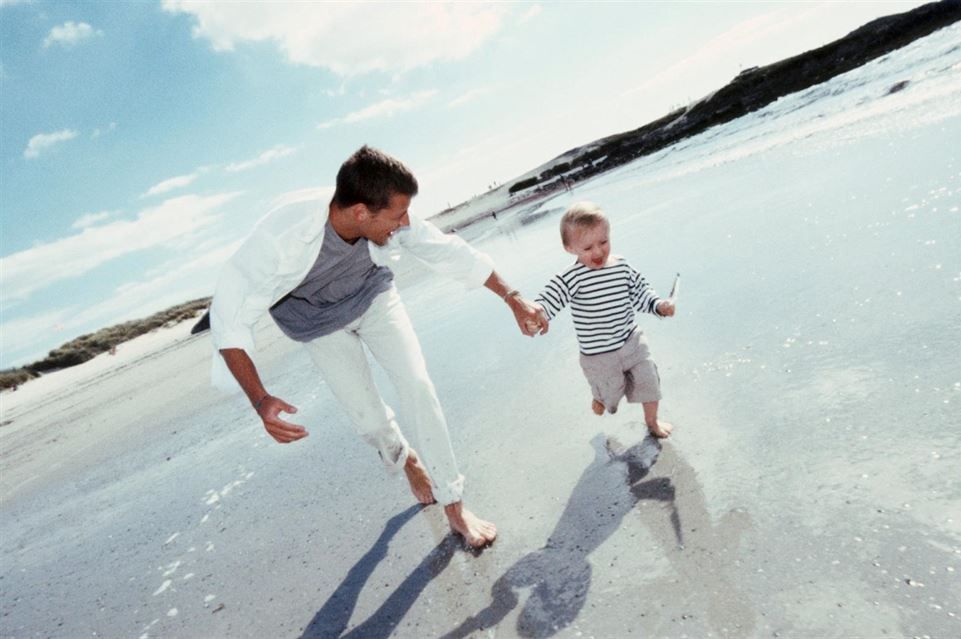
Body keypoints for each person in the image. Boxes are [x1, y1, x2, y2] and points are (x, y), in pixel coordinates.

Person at [209, 146, 549, 548]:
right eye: (397, 215)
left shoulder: (385, 214)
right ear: (360, 213)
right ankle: (406, 459)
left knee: (417, 385)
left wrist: (513, 297)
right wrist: (260, 399)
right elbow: (227, 318)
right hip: (316, 324)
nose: (405, 222)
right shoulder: (280, 239)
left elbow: (449, 251)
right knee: (369, 422)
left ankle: (454, 503)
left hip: (373, 297)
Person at [531, 201, 675, 438]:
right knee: (611, 396)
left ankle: (652, 422)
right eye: (587, 248)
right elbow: (549, 299)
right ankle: (600, 397)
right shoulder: (571, 278)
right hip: (599, 355)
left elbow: (640, 292)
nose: (598, 252)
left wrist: (658, 305)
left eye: (603, 242)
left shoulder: (621, 266)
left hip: (632, 341)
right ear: (569, 248)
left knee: (649, 379)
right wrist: (537, 315)